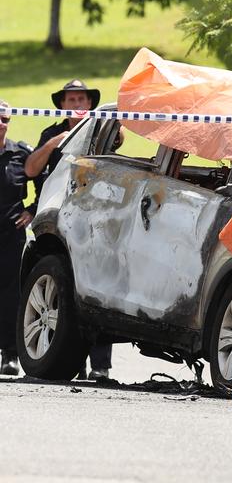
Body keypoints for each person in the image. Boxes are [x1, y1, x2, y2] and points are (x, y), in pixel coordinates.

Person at [25, 79, 113, 381]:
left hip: (93, 222)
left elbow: (122, 137)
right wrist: (54, 143)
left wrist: (94, 125)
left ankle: (100, 366)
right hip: (56, 225)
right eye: (71, 100)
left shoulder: (100, 131)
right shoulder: (50, 133)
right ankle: (67, 361)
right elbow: (30, 170)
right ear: (62, 105)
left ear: (90, 104)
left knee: (97, 287)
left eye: (82, 100)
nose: (77, 105)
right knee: (60, 289)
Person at [0, 99, 43, 375]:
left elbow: (46, 180)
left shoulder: (20, 153)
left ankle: (9, 355)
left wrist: (32, 210)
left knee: (10, 295)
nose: (1, 125)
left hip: (9, 234)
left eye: (5, 120)